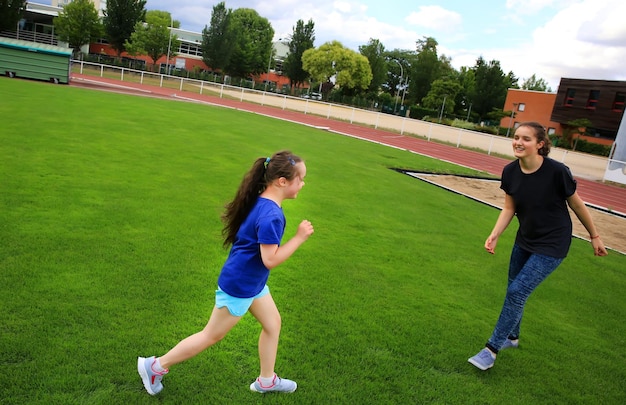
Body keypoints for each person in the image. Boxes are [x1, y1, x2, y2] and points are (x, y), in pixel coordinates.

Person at [138, 150, 314, 394]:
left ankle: (266, 380)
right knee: (211, 335)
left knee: (273, 324)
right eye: (301, 179)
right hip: (240, 285)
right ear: (282, 181)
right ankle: (155, 366)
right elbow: (270, 259)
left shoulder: (262, 200)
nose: (303, 184)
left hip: (252, 282)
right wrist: (299, 238)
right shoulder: (272, 215)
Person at [468, 122, 607, 371]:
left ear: (540, 144)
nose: (518, 142)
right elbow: (510, 207)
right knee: (514, 289)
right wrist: (495, 233)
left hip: (553, 242)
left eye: (526, 139)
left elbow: (576, 204)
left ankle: (491, 349)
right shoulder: (510, 171)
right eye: (516, 137)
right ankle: (512, 337)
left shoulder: (556, 172)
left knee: (517, 291)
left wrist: (594, 236)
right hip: (526, 239)